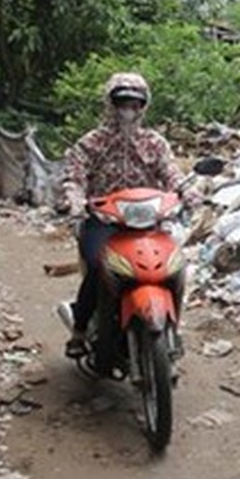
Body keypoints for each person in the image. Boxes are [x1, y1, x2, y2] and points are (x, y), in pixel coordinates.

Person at [56, 72, 180, 360]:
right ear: (110, 104)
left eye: (136, 103)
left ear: (144, 106)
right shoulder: (93, 142)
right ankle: (80, 328)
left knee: (173, 266)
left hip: (148, 221)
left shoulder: (155, 143)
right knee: (100, 266)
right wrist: (74, 199)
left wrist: (188, 192)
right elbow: (74, 175)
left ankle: (171, 327)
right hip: (105, 220)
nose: (129, 109)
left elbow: (172, 173)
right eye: (122, 102)